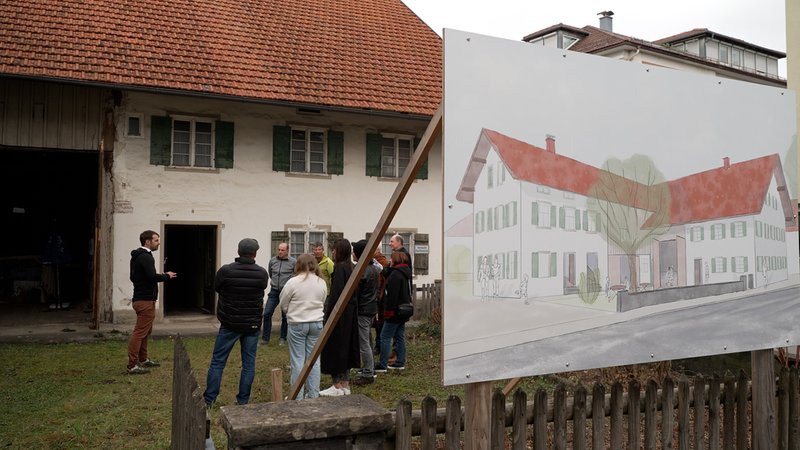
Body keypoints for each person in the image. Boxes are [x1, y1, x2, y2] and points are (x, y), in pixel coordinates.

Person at [203, 238, 269, 407]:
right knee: (248, 364)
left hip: (230, 323)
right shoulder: (261, 273)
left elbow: (217, 288)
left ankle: (210, 399)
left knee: (218, 362)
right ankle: (243, 400)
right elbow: (261, 288)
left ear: (238, 251)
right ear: (255, 254)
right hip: (251, 325)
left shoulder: (226, 271)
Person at [127, 230, 176, 374]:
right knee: (139, 332)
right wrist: (166, 276)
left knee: (145, 331)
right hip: (145, 300)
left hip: (140, 299)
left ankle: (143, 359)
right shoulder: (146, 257)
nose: (159, 243)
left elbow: (133, 277)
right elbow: (152, 277)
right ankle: (132, 365)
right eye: (156, 240)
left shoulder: (137, 256)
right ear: (147, 242)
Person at [279, 253, 327, 399]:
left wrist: (291, 312)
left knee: (298, 360)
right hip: (316, 323)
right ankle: (313, 394)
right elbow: (323, 300)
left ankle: (297, 396)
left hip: (297, 323)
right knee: (314, 360)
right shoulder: (321, 282)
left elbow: (283, 303)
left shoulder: (293, 282)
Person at [320, 238, 360, 396]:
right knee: (346, 346)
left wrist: (329, 315)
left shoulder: (339, 268)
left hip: (340, 314)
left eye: (335, 249)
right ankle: (345, 383)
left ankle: (337, 385)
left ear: (340, 251)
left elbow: (336, 295)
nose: (333, 252)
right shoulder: (351, 267)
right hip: (350, 312)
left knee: (336, 347)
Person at [374, 251, 412, 372]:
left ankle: (382, 364)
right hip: (403, 310)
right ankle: (400, 362)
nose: (390, 261)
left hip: (394, 312)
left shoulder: (395, 275)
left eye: (392, 259)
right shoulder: (404, 272)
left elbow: (392, 296)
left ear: (395, 260)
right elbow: (387, 272)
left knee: (385, 337)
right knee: (399, 336)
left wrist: (388, 312)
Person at [351, 240, 380, 386]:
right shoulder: (373, 268)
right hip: (370, 308)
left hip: (363, 309)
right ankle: (370, 368)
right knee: (368, 339)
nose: (352, 253)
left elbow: (355, 291)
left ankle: (368, 374)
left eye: (354, 251)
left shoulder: (363, 271)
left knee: (364, 343)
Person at [262, 242, 296, 345]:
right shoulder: (272, 261)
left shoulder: (293, 262)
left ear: (287, 251)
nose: (280, 252)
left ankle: (282, 338)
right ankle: (265, 339)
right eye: (279, 250)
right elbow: (271, 274)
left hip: (286, 292)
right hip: (274, 291)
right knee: (267, 313)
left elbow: (295, 276)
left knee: (285, 316)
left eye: (282, 250)